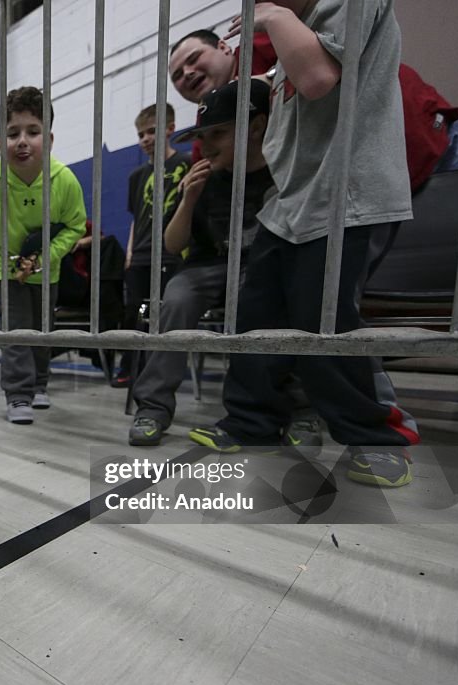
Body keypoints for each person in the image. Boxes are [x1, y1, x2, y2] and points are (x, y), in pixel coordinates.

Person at [188, 0, 421, 487]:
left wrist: (271, 17)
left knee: (325, 325)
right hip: (292, 202)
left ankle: (376, 438)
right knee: (255, 318)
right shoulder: (297, 31)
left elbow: (317, 79)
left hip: (345, 196)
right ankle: (251, 424)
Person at [128, 80, 273, 446]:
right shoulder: (204, 176)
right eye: (203, 136)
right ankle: (153, 407)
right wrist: (189, 198)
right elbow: (173, 245)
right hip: (207, 265)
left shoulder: (280, 174)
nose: (205, 146)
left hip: (259, 265)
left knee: (265, 301)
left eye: (218, 134)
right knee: (174, 299)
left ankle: (283, 407)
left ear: (256, 128)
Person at [169, 27, 458, 190]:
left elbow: (326, 59)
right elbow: (207, 166)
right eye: (177, 76)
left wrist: (268, 79)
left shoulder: (267, 38)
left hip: (437, 144)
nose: (188, 74)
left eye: (193, 59)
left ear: (224, 47)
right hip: (379, 190)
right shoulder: (208, 120)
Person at [0, 86, 87, 424]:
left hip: (46, 270)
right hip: (2, 267)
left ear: (49, 139)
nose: (22, 141)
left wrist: (46, 257)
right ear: (0, 144)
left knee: (42, 329)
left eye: (33, 131)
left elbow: (76, 226)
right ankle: (18, 394)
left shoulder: (65, 181)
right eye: (13, 133)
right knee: (15, 329)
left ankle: (40, 385)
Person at [115, 102, 191, 388]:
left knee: (163, 313)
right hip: (141, 259)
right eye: (141, 134)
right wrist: (131, 252)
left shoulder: (185, 164)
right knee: (138, 313)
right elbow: (136, 218)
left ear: (170, 129)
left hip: (172, 257)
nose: (146, 139)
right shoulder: (137, 177)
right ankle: (131, 367)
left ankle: (157, 373)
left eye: (152, 132)